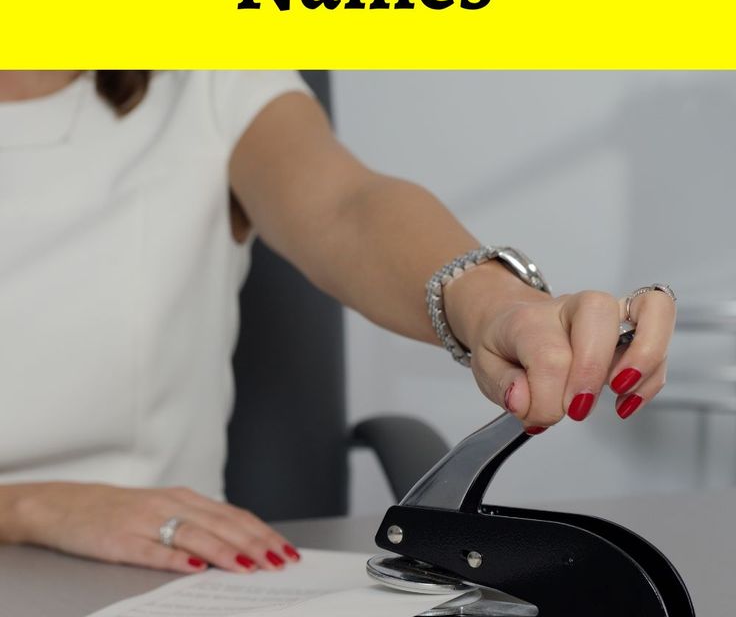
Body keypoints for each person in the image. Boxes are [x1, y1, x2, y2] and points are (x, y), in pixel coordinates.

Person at [0, 70, 675, 575]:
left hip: (168, 587)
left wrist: (499, 307)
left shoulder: (206, 76)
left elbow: (345, 206)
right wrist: (30, 508)